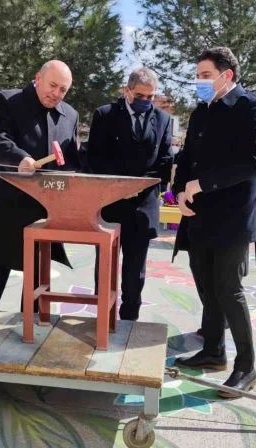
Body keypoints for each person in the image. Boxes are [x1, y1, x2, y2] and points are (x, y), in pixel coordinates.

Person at [171, 47, 256, 399]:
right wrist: (179, 191)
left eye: (205, 76)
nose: (199, 82)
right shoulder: (201, 112)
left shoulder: (252, 109)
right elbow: (187, 156)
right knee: (205, 283)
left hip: (235, 215)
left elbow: (252, 162)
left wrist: (202, 184)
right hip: (199, 214)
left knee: (228, 288)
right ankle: (213, 350)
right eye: (197, 76)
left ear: (226, 75)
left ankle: (246, 366)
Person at [0, 60, 80, 311]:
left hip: (44, 212)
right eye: (52, 85)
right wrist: (20, 158)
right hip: (8, 206)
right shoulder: (8, 100)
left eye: (63, 90)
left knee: (37, 281)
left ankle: (31, 329)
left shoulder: (70, 115)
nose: (56, 93)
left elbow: (71, 160)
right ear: (38, 78)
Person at [86, 67, 173, 320]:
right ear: (127, 91)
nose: (145, 101)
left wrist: (138, 187)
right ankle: (102, 317)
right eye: (140, 95)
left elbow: (165, 161)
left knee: (136, 269)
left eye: (150, 97)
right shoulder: (105, 115)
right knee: (105, 265)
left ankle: (130, 319)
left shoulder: (163, 119)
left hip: (142, 204)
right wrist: (119, 187)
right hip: (110, 203)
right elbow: (94, 159)